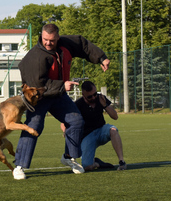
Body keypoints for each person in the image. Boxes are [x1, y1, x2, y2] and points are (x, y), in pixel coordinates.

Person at [13, 24, 110, 180]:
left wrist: (101, 57)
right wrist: (62, 85)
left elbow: (82, 44)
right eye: (45, 39)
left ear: (57, 37)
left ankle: (69, 157)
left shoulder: (64, 43)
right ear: (41, 36)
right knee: (34, 126)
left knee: (76, 121)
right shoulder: (35, 57)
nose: (48, 43)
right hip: (39, 96)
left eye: (52, 40)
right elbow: (37, 85)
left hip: (58, 94)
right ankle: (19, 165)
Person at [61, 81, 126, 171]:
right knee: (86, 167)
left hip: (101, 131)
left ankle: (122, 162)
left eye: (95, 94)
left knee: (113, 130)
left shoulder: (100, 98)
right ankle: (97, 163)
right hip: (87, 137)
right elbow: (63, 123)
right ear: (83, 95)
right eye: (90, 96)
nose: (93, 97)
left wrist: (105, 105)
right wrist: (65, 131)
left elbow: (115, 116)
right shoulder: (77, 105)